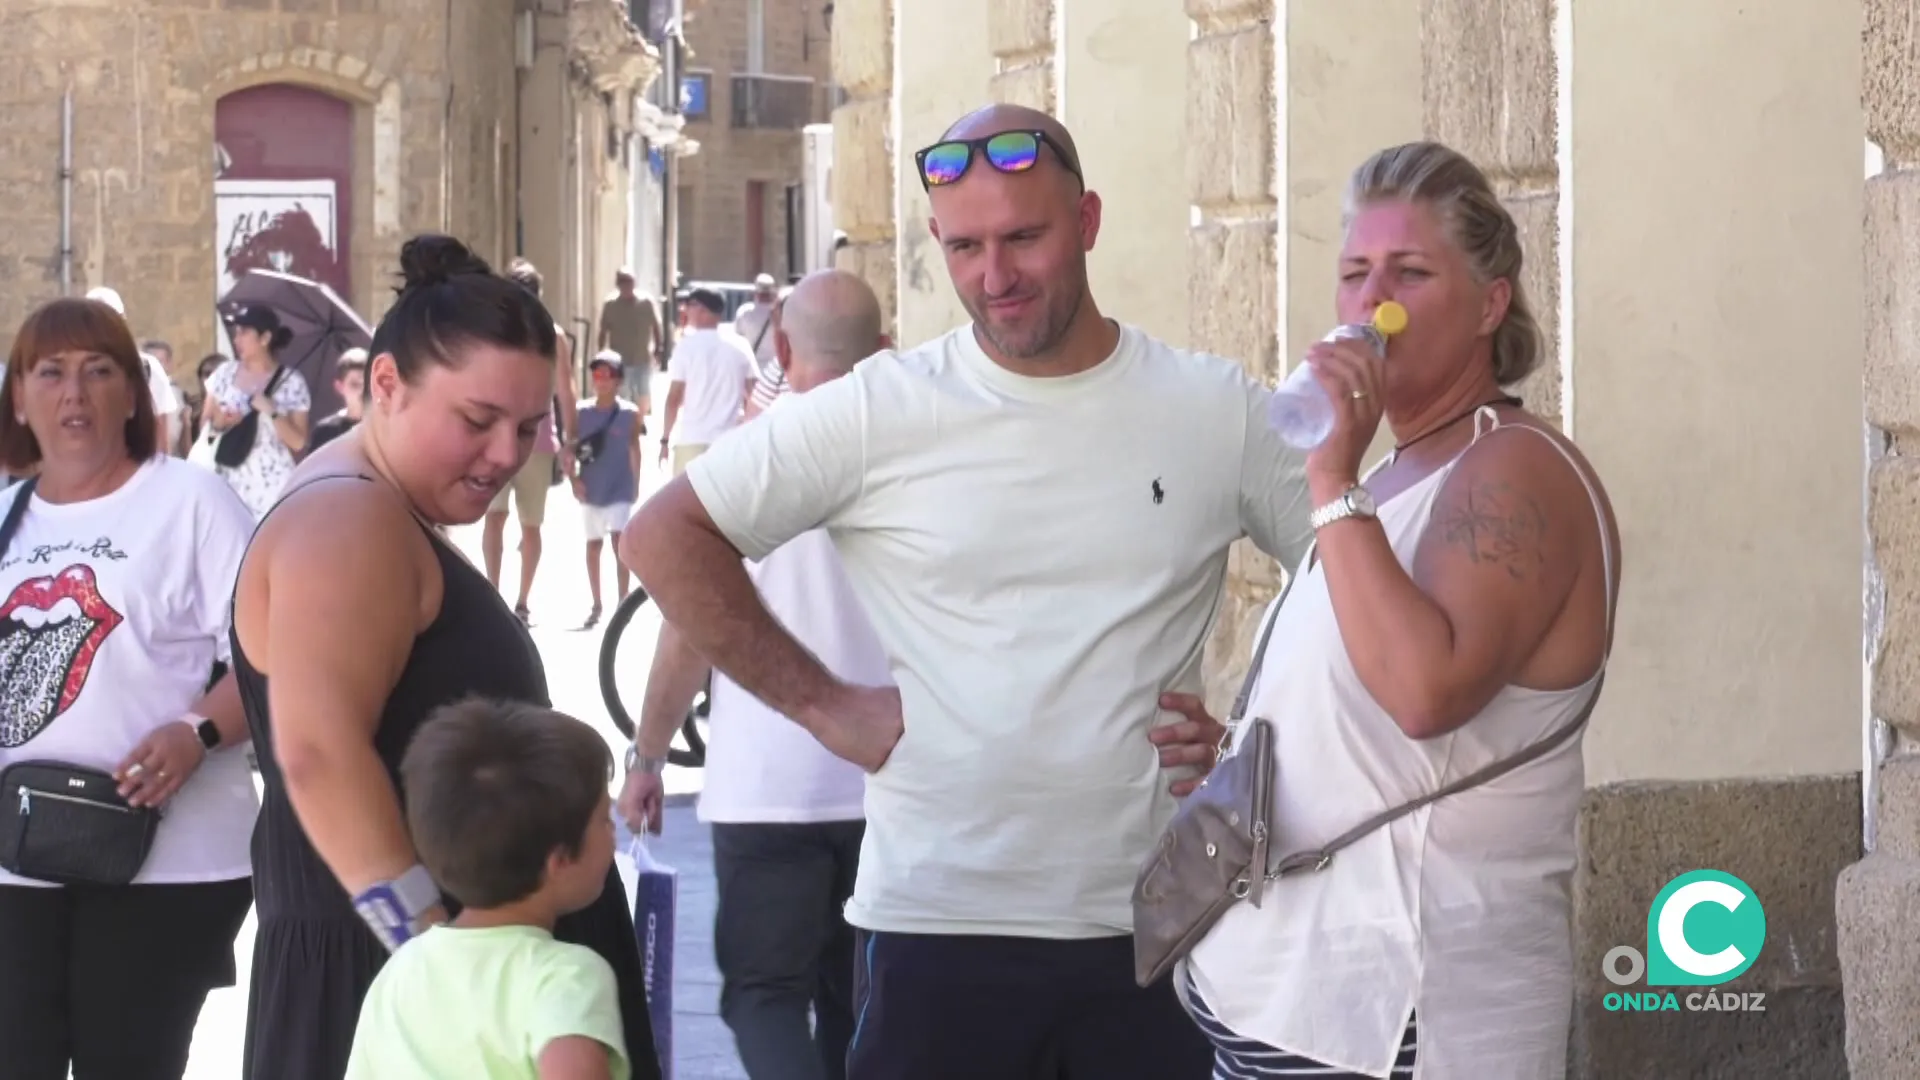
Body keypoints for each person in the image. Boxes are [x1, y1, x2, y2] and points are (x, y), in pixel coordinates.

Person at [620, 103, 1314, 1080]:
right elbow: (663, 535)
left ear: (1088, 221)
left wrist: (1250, 739)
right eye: (964, 247)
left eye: (1024, 238)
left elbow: (1345, 578)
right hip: (936, 928)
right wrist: (825, 704)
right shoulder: (884, 410)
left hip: (1151, 929)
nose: (995, 276)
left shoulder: (1212, 408)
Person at [1180, 142, 1621, 1080]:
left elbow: (1426, 692)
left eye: (1410, 274)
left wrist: (1328, 476)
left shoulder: (1513, 468)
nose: (1372, 302)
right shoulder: (1393, 472)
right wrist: (1238, 751)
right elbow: (1372, 712)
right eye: (1355, 274)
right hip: (1297, 1010)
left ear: (1489, 305)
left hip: (1405, 1018)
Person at [230, 234, 660, 1080]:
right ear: (386, 383)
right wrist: (434, 952)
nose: (506, 453)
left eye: (530, 427)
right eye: (477, 420)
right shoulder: (348, 520)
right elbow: (316, 752)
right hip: (404, 977)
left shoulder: (370, 502)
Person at [619, 269, 886, 1080]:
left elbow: (686, 634)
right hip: (891, 782)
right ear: (883, 349)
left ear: (783, 350)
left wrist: (648, 757)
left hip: (767, 786)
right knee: (861, 1004)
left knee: (764, 994)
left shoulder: (741, 461)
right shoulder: (921, 463)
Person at [0, 297, 259, 1079]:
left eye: (98, 371)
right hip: (16, 862)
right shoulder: (7, 514)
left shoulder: (191, 502)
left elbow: (280, 657)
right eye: (51, 373)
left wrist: (197, 733)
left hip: (166, 867)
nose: (74, 393)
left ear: (133, 395)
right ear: (19, 398)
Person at [345, 698, 631, 1080]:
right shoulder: (565, 977)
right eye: (604, 820)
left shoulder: (399, 972)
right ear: (560, 860)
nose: (613, 833)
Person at [482, 258, 579, 624]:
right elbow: (566, 391)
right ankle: (521, 602)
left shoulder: (495, 330)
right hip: (536, 438)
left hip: (497, 435)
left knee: (496, 518)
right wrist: (569, 441)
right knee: (530, 524)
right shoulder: (552, 334)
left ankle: (496, 595)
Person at [198, 304, 313, 518]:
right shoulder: (224, 374)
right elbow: (205, 425)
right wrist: (220, 423)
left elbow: (299, 442)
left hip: (272, 488)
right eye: (235, 333)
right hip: (227, 480)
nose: (236, 340)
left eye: (243, 333)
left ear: (265, 338)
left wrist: (273, 412)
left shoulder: (292, 382)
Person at [569, 351, 643, 627]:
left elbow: (634, 448)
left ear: (618, 380)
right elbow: (570, 448)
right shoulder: (581, 412)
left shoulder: (630, 414)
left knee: (620, 544)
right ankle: (597, 602)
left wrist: (635, 483)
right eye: (596, 374)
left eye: (607, 375)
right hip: (592, 488)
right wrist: (573, 480)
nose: (600, 380)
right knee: (593, 545)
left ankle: (623, 600)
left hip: (619, 486)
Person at [656, 288, 755, 476]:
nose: (685, 309)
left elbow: (674, 398)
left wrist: (665, 439)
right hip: (730, 440)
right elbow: (754, 394)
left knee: (686, 494)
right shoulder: (740, 345)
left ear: (702, 310)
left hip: (692, 440)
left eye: (689, 305)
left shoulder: (685, 347)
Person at [598, 269, 662, 418]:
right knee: (623, 393)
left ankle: (640, 420)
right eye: (623, 282)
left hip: (642, 357)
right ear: (618, 284)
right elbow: (603, 331)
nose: (627, 286)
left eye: (630, 282)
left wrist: (658, 348)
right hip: (620, 359)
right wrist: (601, 354)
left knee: (643, 391)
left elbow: (656, 326)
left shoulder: (646, 303)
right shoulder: (611, 305)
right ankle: (626, 420)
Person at [307, 348, 369, 455]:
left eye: (367, 383)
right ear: (340, 387)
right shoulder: (325, 431)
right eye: (355, 385)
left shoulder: (385, 428)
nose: (362, 391)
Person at [731, 272, 781, 374]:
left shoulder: (744, 312)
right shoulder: (780, 313)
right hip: (775, 369)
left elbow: (736, 340)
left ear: (755, 292)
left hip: (751, 368)